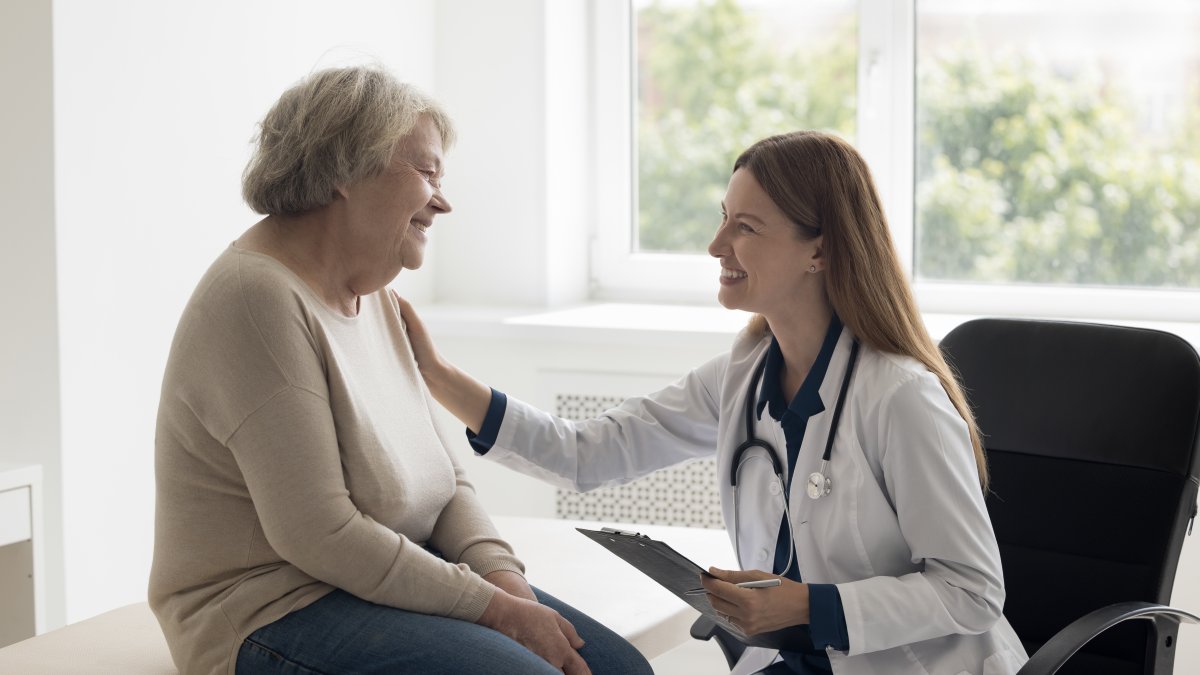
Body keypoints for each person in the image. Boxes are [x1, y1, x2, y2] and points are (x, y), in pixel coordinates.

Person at [397, 131, 1030, 674]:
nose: (716, 244)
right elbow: (586, 453)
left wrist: (809, 606)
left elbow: (973, 591)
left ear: (821, 250)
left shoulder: (899, 398)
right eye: (723, 216)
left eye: (745, 227)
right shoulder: (743, 375)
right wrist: (436, 373)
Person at [148, 65, 652, 675]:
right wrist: (495, 611)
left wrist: (507, 583)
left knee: (621, 669)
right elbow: (320, 534)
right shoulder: (256, 300)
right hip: (271, 611)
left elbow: (446, 484)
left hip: (378, 586)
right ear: (344, 167)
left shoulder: (375, 295)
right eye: (427, 172)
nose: (443, 201)